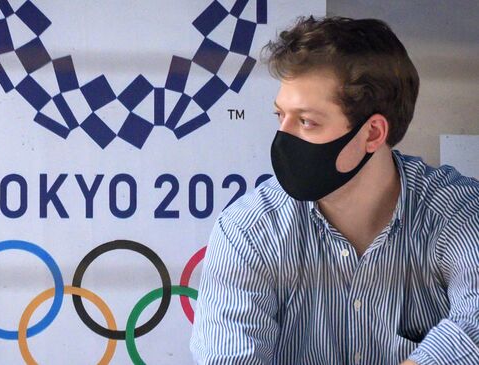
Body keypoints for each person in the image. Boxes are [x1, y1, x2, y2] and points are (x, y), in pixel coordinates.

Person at [189, 15, 479, 365]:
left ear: (372, 133)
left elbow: (473, 325)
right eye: (280, 116)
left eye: (307, 121)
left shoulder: (457, 211)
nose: (284, 138)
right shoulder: (249, 231)